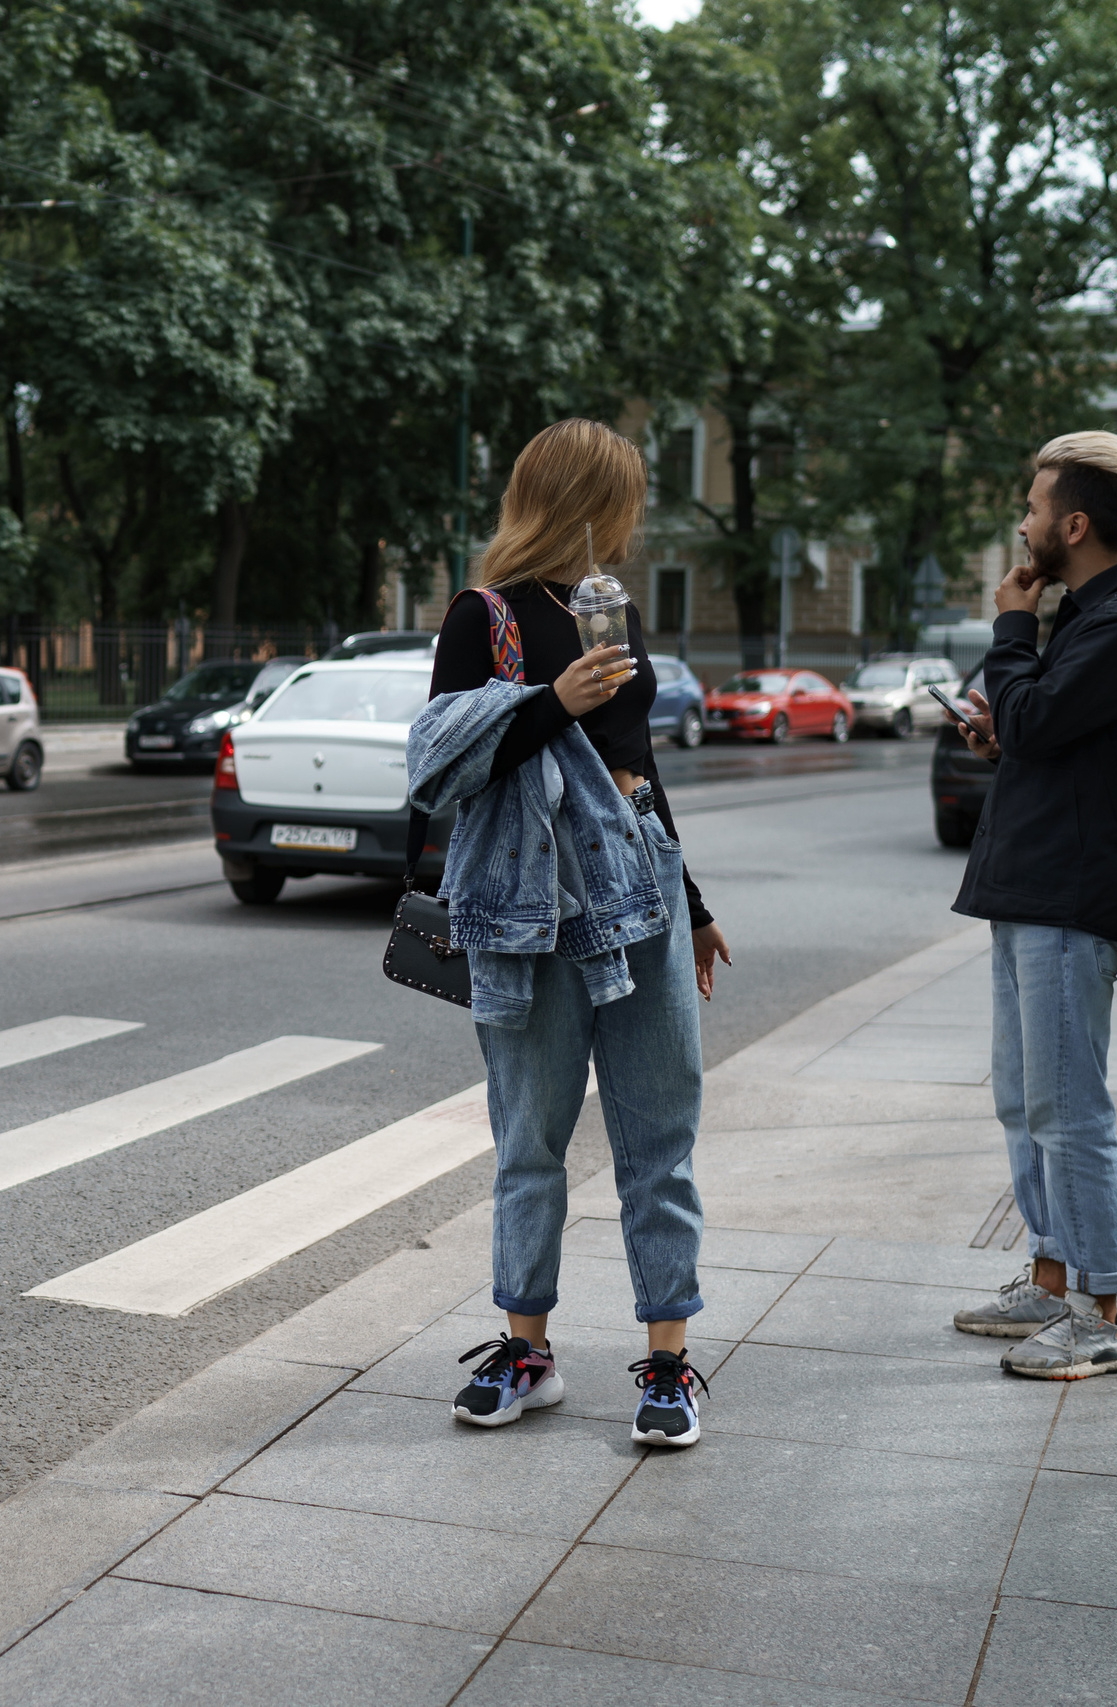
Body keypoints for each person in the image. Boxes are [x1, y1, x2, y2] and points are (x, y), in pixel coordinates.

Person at [413, 418, 731, 1448]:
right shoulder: (484, 615)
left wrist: (695, 906)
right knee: (529, 1139)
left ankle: (671, 1367)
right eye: (624, 496)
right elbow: (440, 763)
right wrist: (551, 701)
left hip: (639, 885)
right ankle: (526, 1351)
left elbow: (638, 763)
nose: (634, 518)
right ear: (585, 500)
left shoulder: (608, 609)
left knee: (660, 1138)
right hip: (534, 906)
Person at [945, 431, 1117, 1379]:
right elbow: (1054, 735)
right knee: (1024, 1097)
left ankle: (1101, 1309)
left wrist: (1012, 628)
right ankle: (1050, 1282)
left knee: (1066, 1105)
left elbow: (1040, 715)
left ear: (1074, 524)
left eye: (1035, 507)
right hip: (1036, 883)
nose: (1024, 521)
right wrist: (1003, 736)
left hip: (1071, 894)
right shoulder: (1093, 615)